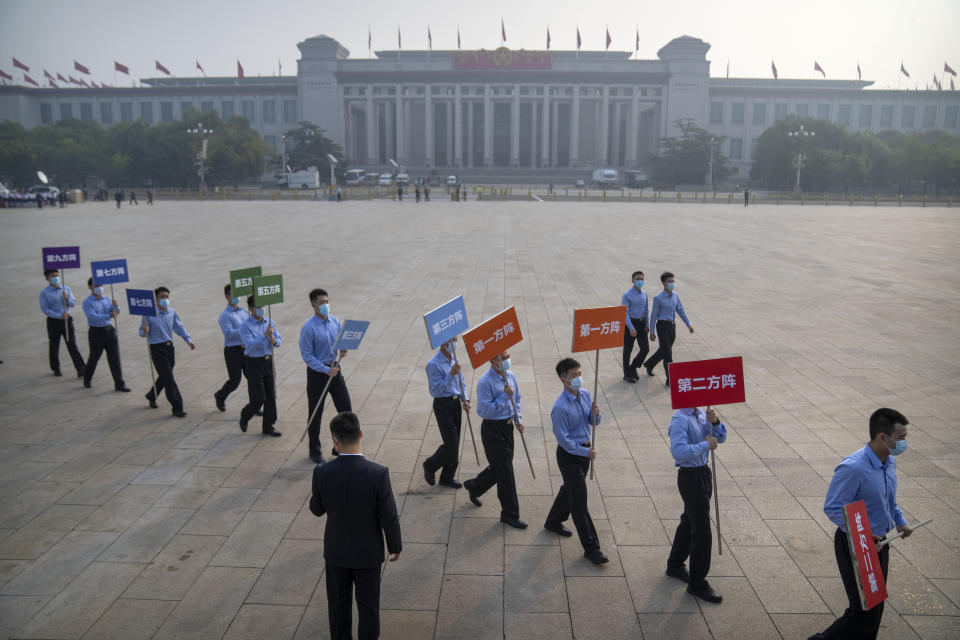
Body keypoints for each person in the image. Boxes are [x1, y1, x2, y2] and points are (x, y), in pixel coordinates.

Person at [809, 408, 912, 640]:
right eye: (901, 438)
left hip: (881, 543)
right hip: (855, 544)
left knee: (876, 608)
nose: (905, 443)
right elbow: (833, 507)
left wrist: (900, 521)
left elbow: (889, 499)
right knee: (863, 612)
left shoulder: (889, 462)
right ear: (882, 437)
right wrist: (863, 534)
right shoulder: (853, 468)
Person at [310, 411, 401, 640]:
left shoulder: (322, 472)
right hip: (368, 553)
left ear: (335, 440)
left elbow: (317, 509)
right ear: (361, 434)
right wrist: (394, 545)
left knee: (338, 606)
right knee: (368, 608)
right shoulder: (378, 473)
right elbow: (388, 515)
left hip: (337, 551)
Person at [544, 358, 608, 564]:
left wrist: (596, 414)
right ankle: (591, 548)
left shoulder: (586, 394)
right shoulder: (560, 408)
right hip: (570, 456)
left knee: (570, 490)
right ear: (563, 379)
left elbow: (592, 421)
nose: (578, 378)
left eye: (580, 374)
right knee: (579, 502)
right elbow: (564, 440)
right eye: (573, 375)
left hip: (585, 451)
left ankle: (553, 521)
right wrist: (584, 452)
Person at [665, 405, 726, 603]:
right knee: (702, 531)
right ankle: (697, 582)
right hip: (690, 476)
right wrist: (705, 445)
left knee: (690, 520)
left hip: (703, 473)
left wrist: (715, 422)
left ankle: (675, 564)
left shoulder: (702, 413)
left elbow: (721, 438)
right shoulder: (680, 418)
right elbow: (678, 452)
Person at [463, 350, 527, 529]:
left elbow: (518, 399)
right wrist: (504, 396)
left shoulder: (511, 375)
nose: (507, 360)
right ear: (492, 360)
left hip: (507, 428)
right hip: (493, 430)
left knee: (500, 468)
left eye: (508, 357)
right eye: (503, 358)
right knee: (506, 473)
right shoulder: (485, 382)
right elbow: (484, 411)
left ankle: (474, 486)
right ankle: (510, 514)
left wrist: (518, 418)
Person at [300, 288, 351, 463]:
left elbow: (338, 343)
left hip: (335, 370)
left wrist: (343, 349)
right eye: (321, 303)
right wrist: (324, 369)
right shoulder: (308, 328)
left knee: (346, 411)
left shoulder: (335, 321)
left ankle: (340, 447)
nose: (325, 305)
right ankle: (314, 451)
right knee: (315, 413)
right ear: (313, 305)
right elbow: (307, 355)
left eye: (326, 302)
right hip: (317, 374)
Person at [422, 338, 471, 489]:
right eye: (451, 341)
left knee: (455, 441)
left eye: (455, 340)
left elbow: (460, 381)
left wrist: (465, 399)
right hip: (443, 404)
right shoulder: (433, 364)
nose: (454, 344)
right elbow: (435, 390)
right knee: (451, 443)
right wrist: (450, 374)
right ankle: (430, 465)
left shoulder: (454, 359)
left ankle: (447, 476)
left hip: (455, 402)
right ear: (443, 343)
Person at [140, 286, 195, 417]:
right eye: (162, 297)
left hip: (169, 347)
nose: (165, 299)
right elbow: (141, 332)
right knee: (169, 379)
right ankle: (177, 407)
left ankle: (151, 395)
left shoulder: (172, 312)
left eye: (166, 297)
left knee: (166, 375)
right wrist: (144, 331)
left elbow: (178, 327)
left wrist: (188, 340)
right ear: (156, 298)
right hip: (156, 348)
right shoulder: (149, 314)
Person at [238, 295, 282, 437]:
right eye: (258, 307)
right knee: (258, 398)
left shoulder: (269, 322)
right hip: (254, 362)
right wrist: (264, 336)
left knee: (271, 396)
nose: (262, 309)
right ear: (251, 308)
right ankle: (245, 415)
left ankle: (268, 425)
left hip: (268, 361)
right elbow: (249, 346)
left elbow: (279, 340)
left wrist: (274, 340)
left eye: (263, 306)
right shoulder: (245, 326)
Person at [643, 272, 693, 386]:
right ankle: (670, 379)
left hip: (672, 327)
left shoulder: (675, 295)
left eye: (673, 281)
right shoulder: (658, 298)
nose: (672, 283)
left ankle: (649, 364)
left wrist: (688, 324)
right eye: (669, 281)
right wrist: (651, 331)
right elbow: (654, 315)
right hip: (662, 326)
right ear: (664, 283)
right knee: (668, 354)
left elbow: (680, 310)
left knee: (664, 350)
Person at [81, 278, 129, 391]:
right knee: (94, 357)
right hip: (96, 332)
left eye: (100, 285)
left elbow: (115, 312)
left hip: (109, 330)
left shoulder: (107, 299)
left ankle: (119, 384)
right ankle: (87, 379)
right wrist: (109, 316)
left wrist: (116, 307)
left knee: (114, 358)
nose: (99, 288)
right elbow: (92, 317)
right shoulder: (87, 302)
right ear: (90, 287)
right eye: (95, 285)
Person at [39, 269, 85, 377]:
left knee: (72, 344)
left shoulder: (65, 289)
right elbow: (45, 309)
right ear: (47, 278)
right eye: (52, 276)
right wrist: (59, 315)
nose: (55, 278)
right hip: (53, 321)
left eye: (56, 275)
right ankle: (56, 367)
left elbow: (72, 303)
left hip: (67, 320)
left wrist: (67, 298)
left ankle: (80, 368)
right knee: (54, 345)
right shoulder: (44, 293)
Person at [214, 284, 248, 412]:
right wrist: (244, 329)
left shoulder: (245, 312)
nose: (236, 297)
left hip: (247, 349)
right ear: (227, 296)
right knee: (235, 380)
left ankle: (255, 404)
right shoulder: (224, 316)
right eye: (233, 295)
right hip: (233, 351)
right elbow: (229, 333)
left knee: (253, 378)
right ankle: (220, 396)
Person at [621, 270, 650, 383]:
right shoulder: (627, 295)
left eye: (642, 279)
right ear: (632, 280)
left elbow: (646, 310)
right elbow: (625, 313)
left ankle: (633, 367)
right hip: (631, 324)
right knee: (628, 350)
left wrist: (647, 324)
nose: (640, 281)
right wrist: (631, 327)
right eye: (637, 279)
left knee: (645, 348)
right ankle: (626, 374)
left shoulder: (644, 294)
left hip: (642, 323)